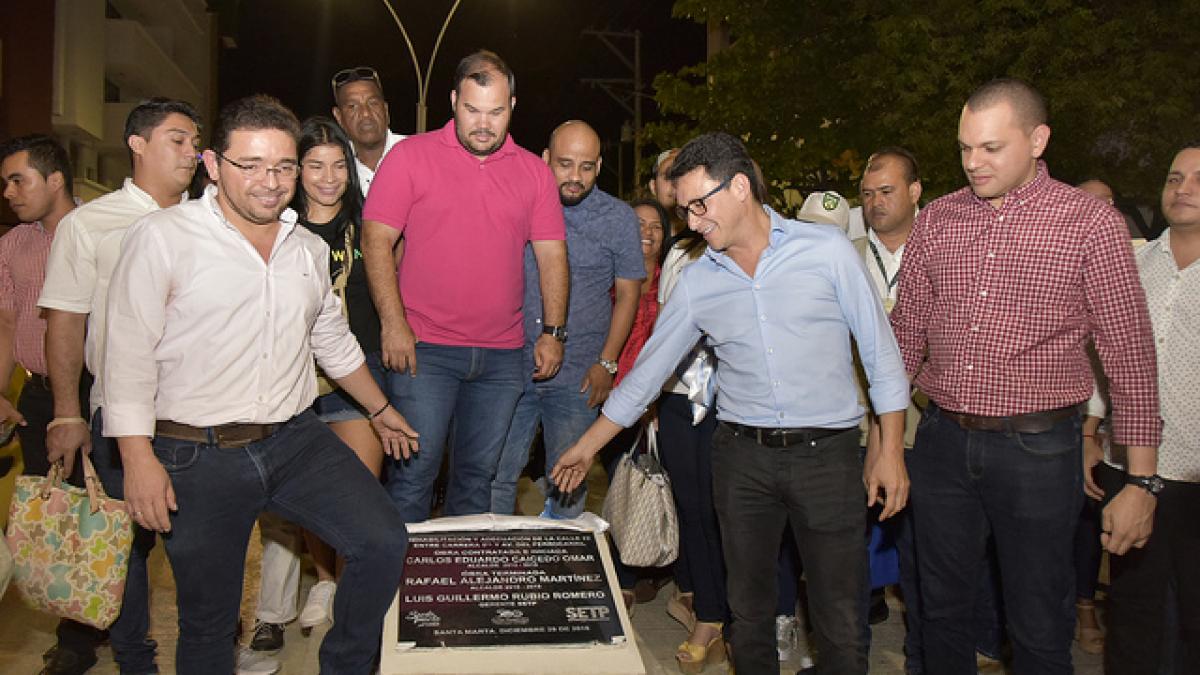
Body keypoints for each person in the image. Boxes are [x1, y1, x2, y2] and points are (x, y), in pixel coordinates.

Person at [551, 132, 911, 674]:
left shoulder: (828, 253)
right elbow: (645, 377)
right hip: (742, 460)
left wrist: (889, 451)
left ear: (740, 187)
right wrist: (585, 446)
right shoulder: (698, 282)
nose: (692, 221)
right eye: (686, 209)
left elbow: (881, 356)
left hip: (828, 458)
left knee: (839, 614)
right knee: (749, 611)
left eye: (700, 204)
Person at [101, 94, 416, 675]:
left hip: (293, 441)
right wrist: (136, 457)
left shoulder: (309, 249)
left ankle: (345, 664)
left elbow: (333, 341)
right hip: (194, 452)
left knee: (383, 540)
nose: (270, 183)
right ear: (213, 165)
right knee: (209, 624)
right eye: (251, 165)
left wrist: (378, 408)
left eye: (283, 166)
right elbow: (126, 356)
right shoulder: (163, 238)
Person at [889, 78, 1160, 674]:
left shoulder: (1090, 223)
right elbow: (904, 337)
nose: (972, 163)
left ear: (1038, 139)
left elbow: (1130, 356)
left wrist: (1142, 482)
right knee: (939, 612)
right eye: (964, 148)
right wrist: (884, 444)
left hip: (1039, 450)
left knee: (1038, 622)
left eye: (990, 148)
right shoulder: (937, 219)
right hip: (941, 441)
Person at [362, 50, 568, 523]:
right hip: (424, 351)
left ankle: (459, 589)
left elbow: (553, 255)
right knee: (414, 475)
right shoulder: (409, 157)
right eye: (472, 109)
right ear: (453, 100)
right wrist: (393, 324)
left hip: (501, 357)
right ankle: (400, 590)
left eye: (495, 112)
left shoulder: (534, 172)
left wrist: (553, 332)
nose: (483, 123)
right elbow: (376, 241)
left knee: (478, 478)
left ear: (512, 105)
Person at [248, 117, 387, 653]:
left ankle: (348, 599)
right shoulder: (276, 228)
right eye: (314, 165)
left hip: (357, 377)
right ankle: (325, 581)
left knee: (355, 496)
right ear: (296, 170)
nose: (328, 177)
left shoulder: (369, 223)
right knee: (301, 499)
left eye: (338, 166)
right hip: (293, 379)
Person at [490, 120, 643, 518]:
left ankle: (559, 576)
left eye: (587, 167)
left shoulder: (618, 217)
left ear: (599, 165)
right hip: (510, 364)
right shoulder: (518, 206)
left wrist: (607, 363)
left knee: (569, 483)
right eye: (565, 164)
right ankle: (495, 572)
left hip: (580, 374)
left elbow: (629, 295)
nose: (575, 177)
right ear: (545, 159)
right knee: (497, 475)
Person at [1087, 143, 1200, 672]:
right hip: (1130, 467)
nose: (1184, 188)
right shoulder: (1130, 261)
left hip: (1198, 474)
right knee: (1133, 612)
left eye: (1199, 179)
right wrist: (1090, 431)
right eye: (1175, 177)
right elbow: (1098, 354)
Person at [0, 133, 100, 675]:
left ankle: (107, 613)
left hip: (99, 391)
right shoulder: (14, 245)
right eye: (6, 183)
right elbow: (7, 321)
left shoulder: (101, 230)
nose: (10, 192)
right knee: (56, 514)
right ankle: (76, 640)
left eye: (19, 180)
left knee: (109, 510)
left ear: (55, 179)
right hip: (38, 396)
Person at [330, 66, 404, 194]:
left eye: (373, 103)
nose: (365, 113)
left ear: (386, 110)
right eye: (352, 106)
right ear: (339, 117)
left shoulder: (416, 153)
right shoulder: (335, 169)